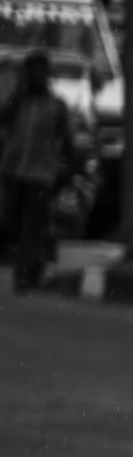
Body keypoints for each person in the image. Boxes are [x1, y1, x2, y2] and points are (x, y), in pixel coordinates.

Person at [0, 53, 77, 293]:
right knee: (7, 223)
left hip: (40, 175)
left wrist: (66, 171)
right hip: (12, 170)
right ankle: (30, 267)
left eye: (40, 72)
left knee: (30, 226)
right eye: (31, 72)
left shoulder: (56, 105)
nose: (36, 77)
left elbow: (67, 141)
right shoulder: (18, 101)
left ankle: (25, 275)